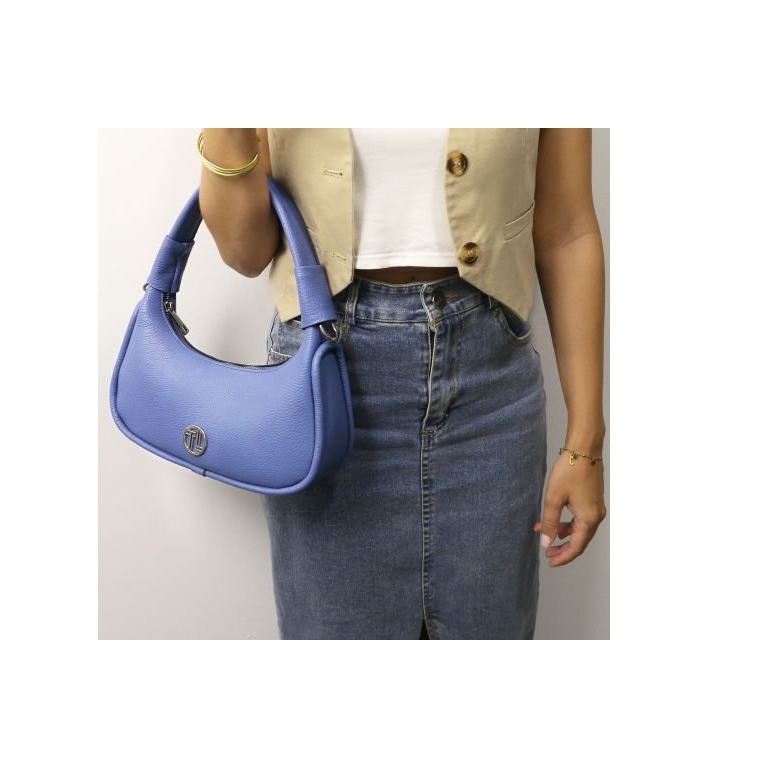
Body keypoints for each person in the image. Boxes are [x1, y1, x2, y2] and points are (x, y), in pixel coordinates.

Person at [198, 128, 607, 640]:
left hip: (490, 394)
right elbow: (245, 251)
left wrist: (586, 443)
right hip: (325, 392)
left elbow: (567, 230)